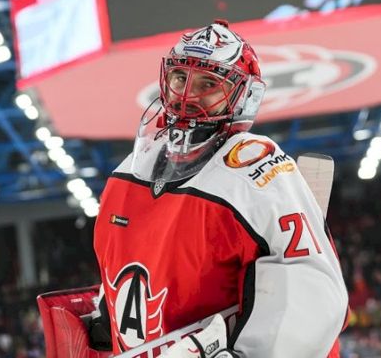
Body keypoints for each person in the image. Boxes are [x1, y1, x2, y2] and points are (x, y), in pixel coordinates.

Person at [90, 20, 348, 357]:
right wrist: (104, 314)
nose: (187, 95)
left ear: (244, 96)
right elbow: (125, 269)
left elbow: (310, 286)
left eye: (208, 83)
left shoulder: (256, 168)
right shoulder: (126, 174)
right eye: (180, 77)